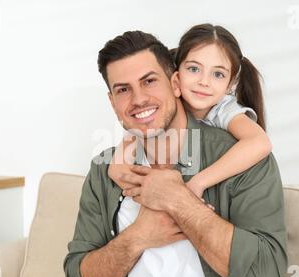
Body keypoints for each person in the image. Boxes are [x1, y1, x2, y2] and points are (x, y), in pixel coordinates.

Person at [64, 27, 287, 277]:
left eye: (149, 81)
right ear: (112, 102)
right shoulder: (106, 168)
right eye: (123, 90)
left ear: (175, 83)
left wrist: (177, 199)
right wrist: (139, 236)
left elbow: (264, 276)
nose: (138, 100)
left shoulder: (241, 158)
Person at [109, 24, 272, 198]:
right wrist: (118, 163)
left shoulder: (225, 109)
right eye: (194, 69)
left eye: (218, 74)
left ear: (230, 84)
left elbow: (260, 142)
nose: (204, 82)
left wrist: (198, 182)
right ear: (176, 72)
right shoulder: (168, 100)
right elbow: (139, 128)